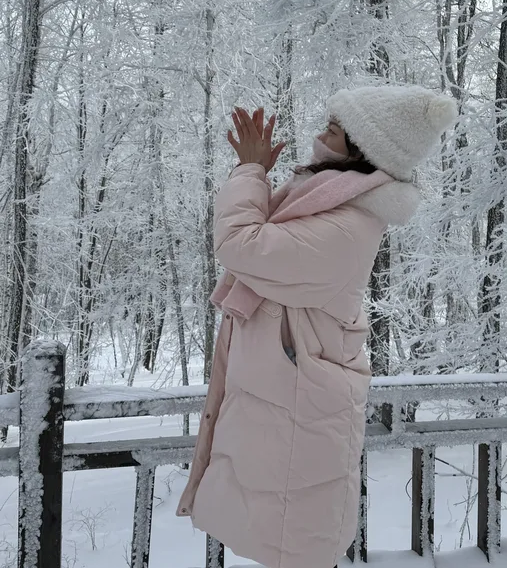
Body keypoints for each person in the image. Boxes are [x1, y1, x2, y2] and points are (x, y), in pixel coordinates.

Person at [177, 83, 458, 568]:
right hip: (285, 414)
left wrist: (250, 171)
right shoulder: (326, 204)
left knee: (295, 545)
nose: (321, 131)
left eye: (337, 127)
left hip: (296, 423)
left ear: (363, 148)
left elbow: (242, 244)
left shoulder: (346, 227)